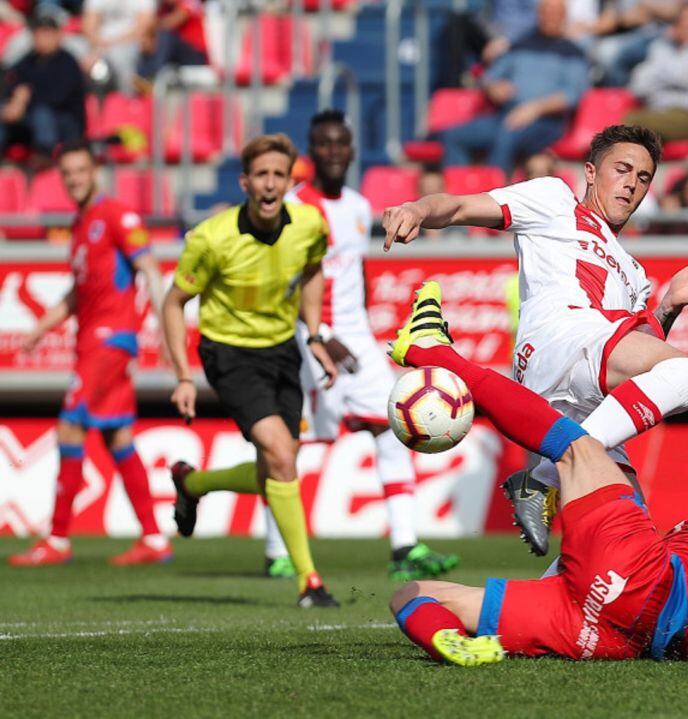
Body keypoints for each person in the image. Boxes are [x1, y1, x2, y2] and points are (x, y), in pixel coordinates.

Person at [386, 284, 688, 664]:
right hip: (609, 629)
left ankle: (429, 351)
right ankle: (449, 641)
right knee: (413, 594)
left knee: (576, 446)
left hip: (647, 589)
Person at [382, 124, 688, 557]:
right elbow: (458, 207)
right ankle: (545, 478)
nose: (631, 185)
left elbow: (634, 357)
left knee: (628, 549)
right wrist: (418, 209)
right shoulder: (554, 200)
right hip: (559, 339)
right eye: (622, 170)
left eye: (643, 178)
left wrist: (669, 306)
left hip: (582, 393)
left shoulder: (634, 272)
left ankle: (509, 615)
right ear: (590, 171)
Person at [254, 111, 458, 581]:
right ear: (312, 149)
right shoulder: (294, 208)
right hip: (312, 340)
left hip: (357, 338)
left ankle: (405, 545)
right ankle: (275, 549)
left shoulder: (359, 206)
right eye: (323, 144)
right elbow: (284, 279)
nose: (333, 152)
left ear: (350, 150)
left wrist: (361, 329)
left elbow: (357, 271)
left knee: (393, 425)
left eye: (340, 144)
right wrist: (319, 334)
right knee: (293, 441)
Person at [161, 134, 340, 608]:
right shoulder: (211, 237)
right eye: (261, 174)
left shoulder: (309, 225)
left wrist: (316, 334)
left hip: (284, 350)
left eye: (278, 175)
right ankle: (309, 581)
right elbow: (174, 303)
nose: (269, 184)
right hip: (230, 354)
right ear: (245, 181)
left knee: (277, 467)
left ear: (289, 181)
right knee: (282, 454)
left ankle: (191, 484)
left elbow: (313, 270)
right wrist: (184, 375)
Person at [8, 140, 171, 567]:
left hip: (109, 341)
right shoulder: (80, 225)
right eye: (67, 174)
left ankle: (58, 539)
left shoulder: (117, 216)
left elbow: (150, 269)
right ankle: (154, 540)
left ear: (95, 171)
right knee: (118, 436)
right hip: (92, 340)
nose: (74, 179)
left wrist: (167, 333)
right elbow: (79, 295)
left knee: (69, 429)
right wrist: (41, 329)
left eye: (81, 170)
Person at [440, 0, 590, 176]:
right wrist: (493, 87)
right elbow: (489, 77)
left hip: (546, 122)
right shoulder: (521, 45)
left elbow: (572, 95)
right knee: (454, 136)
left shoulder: (572, 52)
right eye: (545, 11)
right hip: (506, 115)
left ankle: (491, 195)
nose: (549, 17)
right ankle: (458, 192)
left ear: (564, 16)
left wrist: (533, 109)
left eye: (555, 12)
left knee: (507, 135)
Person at [623, 3, 688, 143]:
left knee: (631, 123)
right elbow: (639, 85)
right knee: (628, 121)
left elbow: (681, 76)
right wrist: (664, 71)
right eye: (684, 20)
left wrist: (657, 71)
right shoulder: (662, 47)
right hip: (660, 111)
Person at [0, 7, 86, 164]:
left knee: (42, 114)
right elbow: (12, 84)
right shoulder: (27, 62)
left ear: (58, 35)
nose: (42, 37)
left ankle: (45, 155)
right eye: (39, 32)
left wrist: (23, 101)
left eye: (47, 32)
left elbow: (58, 98)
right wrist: (12, 105)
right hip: (31, 119)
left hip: (65, 124)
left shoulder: (68, 62)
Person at [82, 0, 154, 93]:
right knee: (72, 49)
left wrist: (108, 47)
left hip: (129, 44)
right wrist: (96, 49)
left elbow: (144, 26)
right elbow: (89, 26)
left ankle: (127, 100)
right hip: (99, 45)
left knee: (121, 57)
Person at [136, 0, 209, 84]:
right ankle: (141, 78)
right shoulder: (165, 8)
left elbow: (175, 20)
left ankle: (153, 76)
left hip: (197, 54)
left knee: (165, 36)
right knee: (147, 41)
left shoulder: (189, 1)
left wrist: (152, 26)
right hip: (177, 55)